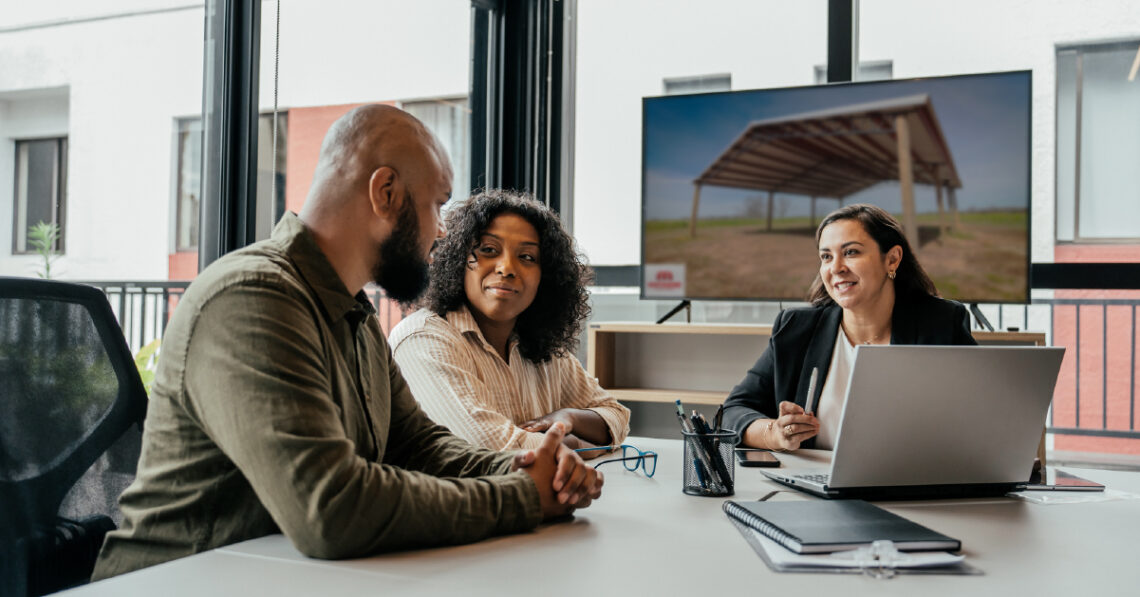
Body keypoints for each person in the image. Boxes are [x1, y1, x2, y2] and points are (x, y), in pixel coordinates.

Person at [92, 105, 602, 581]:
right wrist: (520, 499)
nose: (443, 233)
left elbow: (417, 443)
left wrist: (527, 468)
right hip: (172, 581)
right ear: (385, 193)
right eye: (436, 204)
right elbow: (330, 507)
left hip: (278, 577)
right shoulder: (252, 297)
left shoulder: (351, 311)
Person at [389, 190, 630, 455]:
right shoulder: (423, 340)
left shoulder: (542, 346)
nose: (506, 268)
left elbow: (616, 417)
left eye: (527, 257)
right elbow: (492, 448)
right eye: (488, 250)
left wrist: (569, 417)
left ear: (545, 277)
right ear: (457, 259)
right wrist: (574, 443)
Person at [722, 203, 976, 452]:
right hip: (814, 486)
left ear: (892, 259)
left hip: (908, 487)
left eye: (851, 252)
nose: (836, 268)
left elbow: (982, 415)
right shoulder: (796, 328)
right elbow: (732, 412)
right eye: (826, 256)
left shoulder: (941, 323)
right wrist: (775, 434)